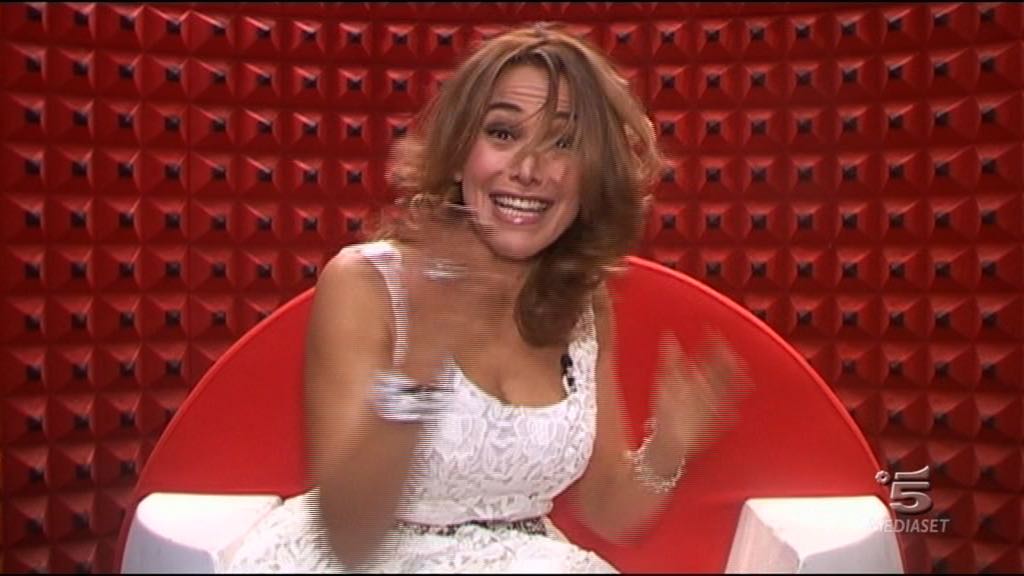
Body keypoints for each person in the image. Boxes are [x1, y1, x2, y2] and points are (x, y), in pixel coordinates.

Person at [227, 23, 749, 573]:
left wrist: (667, 446)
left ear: (593, 176)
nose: (527, 169)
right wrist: (421, 367)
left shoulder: (583, 304)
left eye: (563, 143)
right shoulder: (367, 285)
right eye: (502, 133)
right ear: (458, 156)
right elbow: (350, 535)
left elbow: (606, 510)